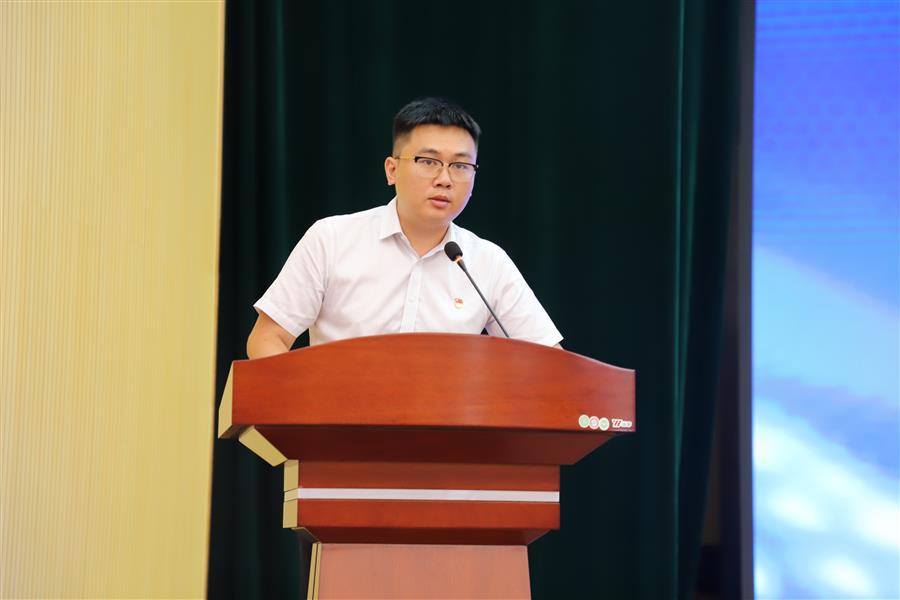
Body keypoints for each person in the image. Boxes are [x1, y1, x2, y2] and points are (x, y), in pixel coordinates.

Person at [246, 97, 562, 358]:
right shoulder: (332, 239)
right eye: (428, 161)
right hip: (339, 414)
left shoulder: (487, 262)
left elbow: (549, 360)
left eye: (460, 165)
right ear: (392, 170)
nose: (444, 179)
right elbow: (268, 338)